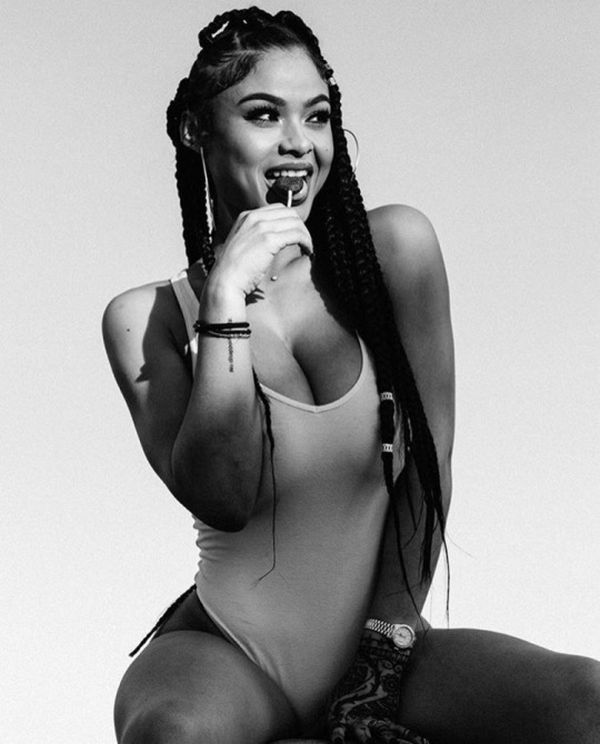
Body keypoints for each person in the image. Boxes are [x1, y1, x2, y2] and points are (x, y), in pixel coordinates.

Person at [102, 7, 600, 743]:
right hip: (228, 654)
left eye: (317, 116)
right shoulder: (148, 320)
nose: (298, 142)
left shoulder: (394, 253)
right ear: (195, 131)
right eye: (264, 114)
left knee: (586, 701)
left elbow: (431, 466)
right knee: (171, 734)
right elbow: (224, 498)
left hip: (386, 644)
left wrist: (378, 668)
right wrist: (224, 299)